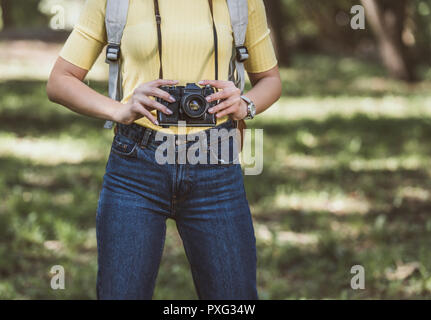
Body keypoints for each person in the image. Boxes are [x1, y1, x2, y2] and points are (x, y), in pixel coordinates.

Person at [47, 0, 282, 300]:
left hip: (216, 164)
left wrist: (245, 104)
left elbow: (271, 80)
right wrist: (120, 109)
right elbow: (59, 80)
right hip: (136, 166)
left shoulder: (241, 2)